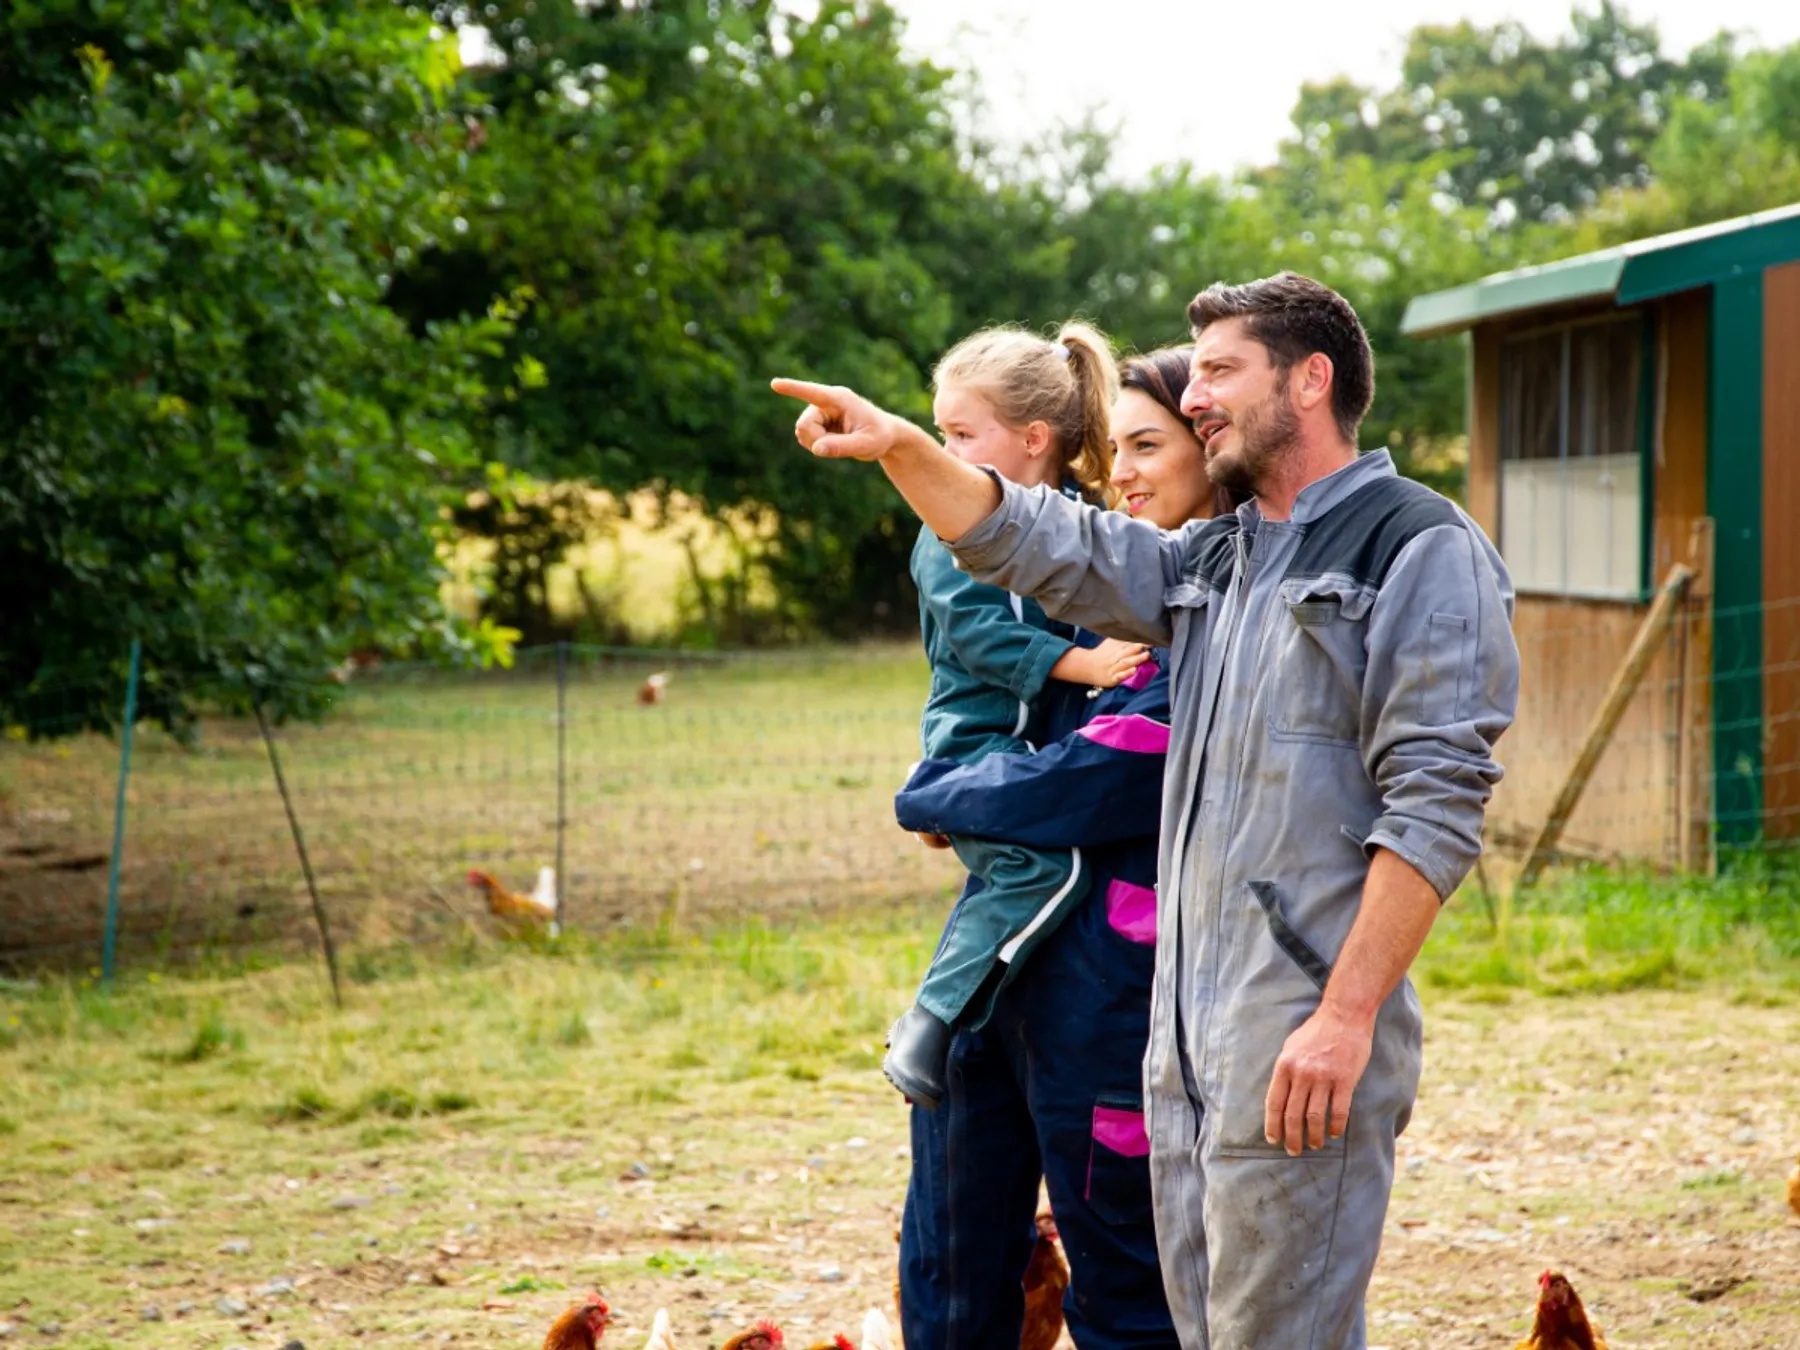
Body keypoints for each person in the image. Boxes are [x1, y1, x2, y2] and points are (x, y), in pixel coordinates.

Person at [772, 273, 1521, 1349]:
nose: (1198, 394)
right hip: (1178, 1048)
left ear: (1310, 381)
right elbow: (1041, 543)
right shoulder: (1214, 560)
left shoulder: (1416, 545)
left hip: (1296, 1038)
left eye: (1221, 370)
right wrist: (901, 445)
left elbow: (1437, 804)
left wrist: (1347, 1015)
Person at [892, 346, 1232, 1350]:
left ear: (1215, 453)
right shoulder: (1104, 589)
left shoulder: (1209, 620)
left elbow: (1090, 781)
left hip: (1106, 1014)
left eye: (1146, 445)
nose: (1120, 470)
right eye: (1112, 445)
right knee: (953, 1271)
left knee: (1123, 1291)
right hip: (997, 980)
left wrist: (940, 796)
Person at [884, 322, 1152, 1111]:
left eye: (962, 434)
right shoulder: (948, 525)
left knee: (1061, 871)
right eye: (941, 433)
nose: (946, 452)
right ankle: (930, 1020)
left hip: (1038, 745)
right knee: (1043, 867)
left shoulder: (1074, 516)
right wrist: (1087, 664)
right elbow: (979, 636)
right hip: (977, 738)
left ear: (1033, 438)